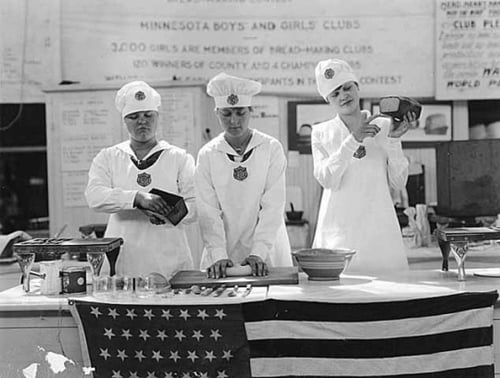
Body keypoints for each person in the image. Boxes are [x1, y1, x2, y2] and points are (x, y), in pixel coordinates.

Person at [311, 59, 417, 275]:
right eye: (335, 93)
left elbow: (399, 182)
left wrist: (394, 141)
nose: (343, 96)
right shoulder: (322, 132)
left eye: (347, 88)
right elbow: (328, 180)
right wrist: (353, 139)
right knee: (339, 300)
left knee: (389, 298)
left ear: (357, 87)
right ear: (327, 100)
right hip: (338, 230)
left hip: (379, 229)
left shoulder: (384, 125)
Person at [85, 81, 196, 280]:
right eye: (133, 117)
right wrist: (137, 198)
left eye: (148, 115)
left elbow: (196, 205)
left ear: (157, 117)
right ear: (124, 121)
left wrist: (168, 214)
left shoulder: (178, 158)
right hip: (125, 261)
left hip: (168, 261)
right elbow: (94, 197)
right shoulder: (109, 157)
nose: (141, 122)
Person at [195, 72, 292, 278]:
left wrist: (258, 253)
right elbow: (208, 211)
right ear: (216, 113)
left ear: (251, 110)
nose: (234, 121)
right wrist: (219, 254)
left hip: (266, 250)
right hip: (222, 253)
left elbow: (273, 206)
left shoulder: (270, 148)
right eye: (226, 114)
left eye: (240, 112)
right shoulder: (208, 154)